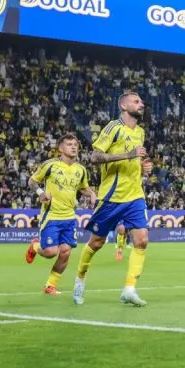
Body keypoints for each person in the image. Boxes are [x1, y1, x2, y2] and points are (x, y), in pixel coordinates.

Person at [73, 91, 154, 306]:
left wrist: (144, 167)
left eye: (141, 101)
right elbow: (95, 156)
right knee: (97, 242)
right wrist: (128, 155)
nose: (141, 104)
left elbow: (135, 160)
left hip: (135, 195)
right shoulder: (113, 127)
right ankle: (80, 278)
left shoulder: (141, 132)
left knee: (142, 240)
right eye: (136, 101)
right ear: (124, 106)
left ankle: (129, 289)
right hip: (111, 196)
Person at [24, 133, 96, 295]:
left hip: (69, 217)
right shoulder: (50, 165)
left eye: (75, 144)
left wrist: (91, 194)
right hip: (51, 216)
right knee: (50, 252)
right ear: (60, 148)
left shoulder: (81, 170)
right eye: (69, 144)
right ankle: (35, 246)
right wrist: (41, 193)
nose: (73, 147)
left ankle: (50, 285)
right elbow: (32, 181)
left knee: (65, 252)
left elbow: (84, 188)